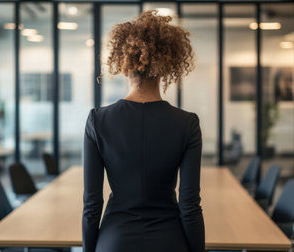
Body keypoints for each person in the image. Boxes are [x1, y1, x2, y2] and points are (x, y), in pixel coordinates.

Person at [82, 10, 205, 252]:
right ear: (166, 65)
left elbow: (91, 205)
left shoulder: (97, 121)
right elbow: (190, 206)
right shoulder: (187, 123)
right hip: (170, 241)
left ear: (124, 64)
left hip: (113, 242)